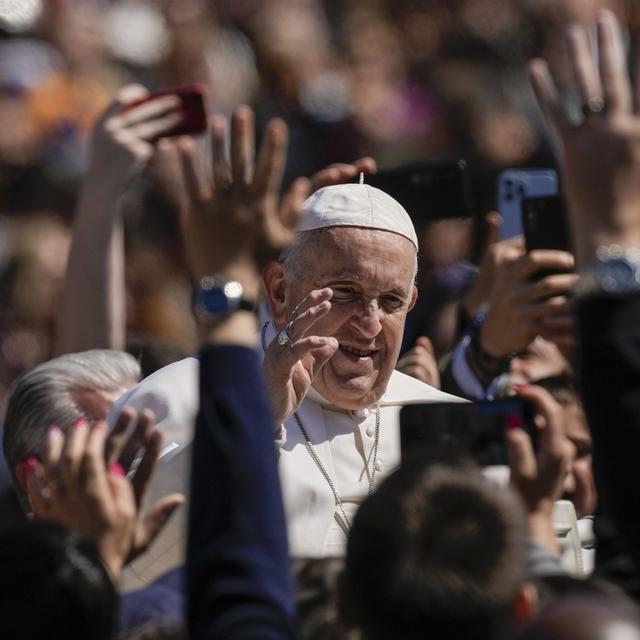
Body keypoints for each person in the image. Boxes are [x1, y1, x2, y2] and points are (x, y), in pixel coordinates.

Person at [110, 105, 464, 561]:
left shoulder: (444, 422)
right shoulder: (178, 397)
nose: (370, 322)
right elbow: (117, 560)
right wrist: (246, 426)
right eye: (345, 292)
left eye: (391, 302)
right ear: (279, 291)